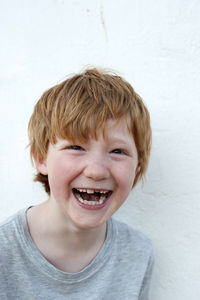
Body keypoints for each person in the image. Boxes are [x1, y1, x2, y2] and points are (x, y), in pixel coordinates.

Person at [0, 68, 153, 299]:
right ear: (41, 158)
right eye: (76, 147)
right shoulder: (5, 252)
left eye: (118, 151)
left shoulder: (138, 253)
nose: (96, 171)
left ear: (137, 167)